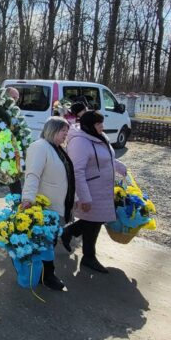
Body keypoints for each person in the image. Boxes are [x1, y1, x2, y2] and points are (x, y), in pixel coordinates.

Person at [64, 110, 127, 274]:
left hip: (103, 189)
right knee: (93, 223)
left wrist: (120, 167)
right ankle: (88, 257)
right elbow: (77, 172)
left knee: (96, 221)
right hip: (91, 190)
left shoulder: (100, 136)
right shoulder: (80, 142)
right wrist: (84, 198)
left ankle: (69, 232)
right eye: (99, 124)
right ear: (89, 125)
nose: (102, 126)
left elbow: (108, 157)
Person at [20, 116, 76, 292]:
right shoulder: (40, 147)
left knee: (48, 241)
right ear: (52, 130)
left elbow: (68, 176)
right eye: (63, 132)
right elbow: (32, 174)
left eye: (67, 132)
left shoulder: (58, 148)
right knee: (46, 242)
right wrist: (28, 198)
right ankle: (47, 275)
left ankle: (41, 273)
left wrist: (75, 200)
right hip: (45, 206)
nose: (65, 135)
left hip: (56, 205)